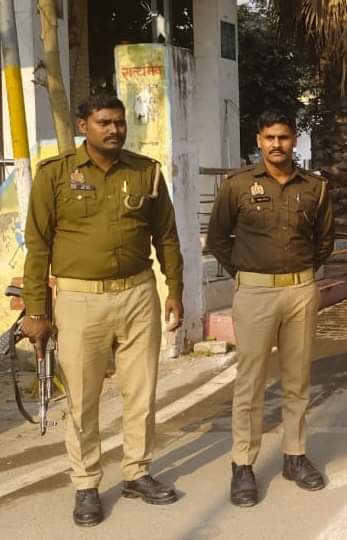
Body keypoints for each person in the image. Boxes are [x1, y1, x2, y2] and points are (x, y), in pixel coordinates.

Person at [21, 94, 185, 527]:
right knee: (82, 396)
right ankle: (86, 483)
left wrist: (175, 290)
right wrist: (36, 310)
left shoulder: (146, 172)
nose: (114, 129)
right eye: (104, 122)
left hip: (138, 295)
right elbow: (37, 245)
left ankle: (137, 471)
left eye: (119, 122)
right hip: (79, 300)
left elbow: (165, 236)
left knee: (141, 391)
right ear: (83, 125)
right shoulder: (55, 175)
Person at [207, 109, 334, 507]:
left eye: (283, 137)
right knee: (251, 382)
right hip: (255, 293)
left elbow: (324, 240)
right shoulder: (237, 186)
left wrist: (298, 276)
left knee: (298, 379)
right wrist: (248, 274)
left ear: (294, 140)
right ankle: (243, 464)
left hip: (300, 291)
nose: (276, 145)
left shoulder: (314, 187)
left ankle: (295, 456)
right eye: (269, 138)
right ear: (259, 141)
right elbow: (218, 238)